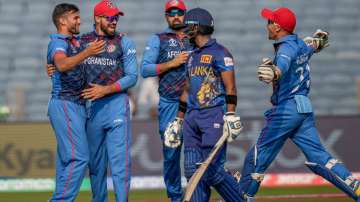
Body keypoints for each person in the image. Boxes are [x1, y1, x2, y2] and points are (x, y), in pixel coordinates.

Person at [238, 7, 360, 202]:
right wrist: (319, 40)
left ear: (277, 27)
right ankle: (357, 189)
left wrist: (275, 72)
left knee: (256, 157)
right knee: (320, 158)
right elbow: (314, 44)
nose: (267, 26)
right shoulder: (301, 44)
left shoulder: (286, 48)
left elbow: (283, 64)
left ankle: (241, 198)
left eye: (269, 22)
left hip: (287, 109)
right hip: (303, 107)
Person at [166, 7, 245, 202]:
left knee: (211, 171)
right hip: (192, 117)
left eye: (189, 26)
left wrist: (231, 114)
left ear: (198, 27)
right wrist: (178, 120)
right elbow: (186, 89)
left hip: (213, 116)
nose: (185, 30)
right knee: (192, 171)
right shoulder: (191, 54)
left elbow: (231, 87)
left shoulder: (220, 52)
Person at [80, 1, 138, 201]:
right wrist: (51, 65)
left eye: (116, 17)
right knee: (96, 166)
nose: (114, 21)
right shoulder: (82, 41)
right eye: (109, 17)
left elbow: (132, 77)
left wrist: (105, 89)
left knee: (120, 164)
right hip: (91, 108)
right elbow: (66, 64)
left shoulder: (124, 42)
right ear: (97, 18)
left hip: (116, 105)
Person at [46, 3, 105, 201]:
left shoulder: (74, 41)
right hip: (65, 102)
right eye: (75, 18)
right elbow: (61, 64)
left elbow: (58, 64)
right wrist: (87, 53)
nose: (80, 21)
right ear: (62, 21)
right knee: (79, 158)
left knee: (66, 160)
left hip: (76, 105)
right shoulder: (59, 41)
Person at [140, 0, 192, 201]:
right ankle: (175, 197)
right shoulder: (159, 39)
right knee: (171, 154)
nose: (176, 16)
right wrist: (172, 63)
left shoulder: (195, 36)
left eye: (180, 12)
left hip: (196, 104)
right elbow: (145, 69)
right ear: (166, 16)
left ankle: (197, 193)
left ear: (185, 14)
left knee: (196, 153)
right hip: (170, 103)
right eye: (172, 13)